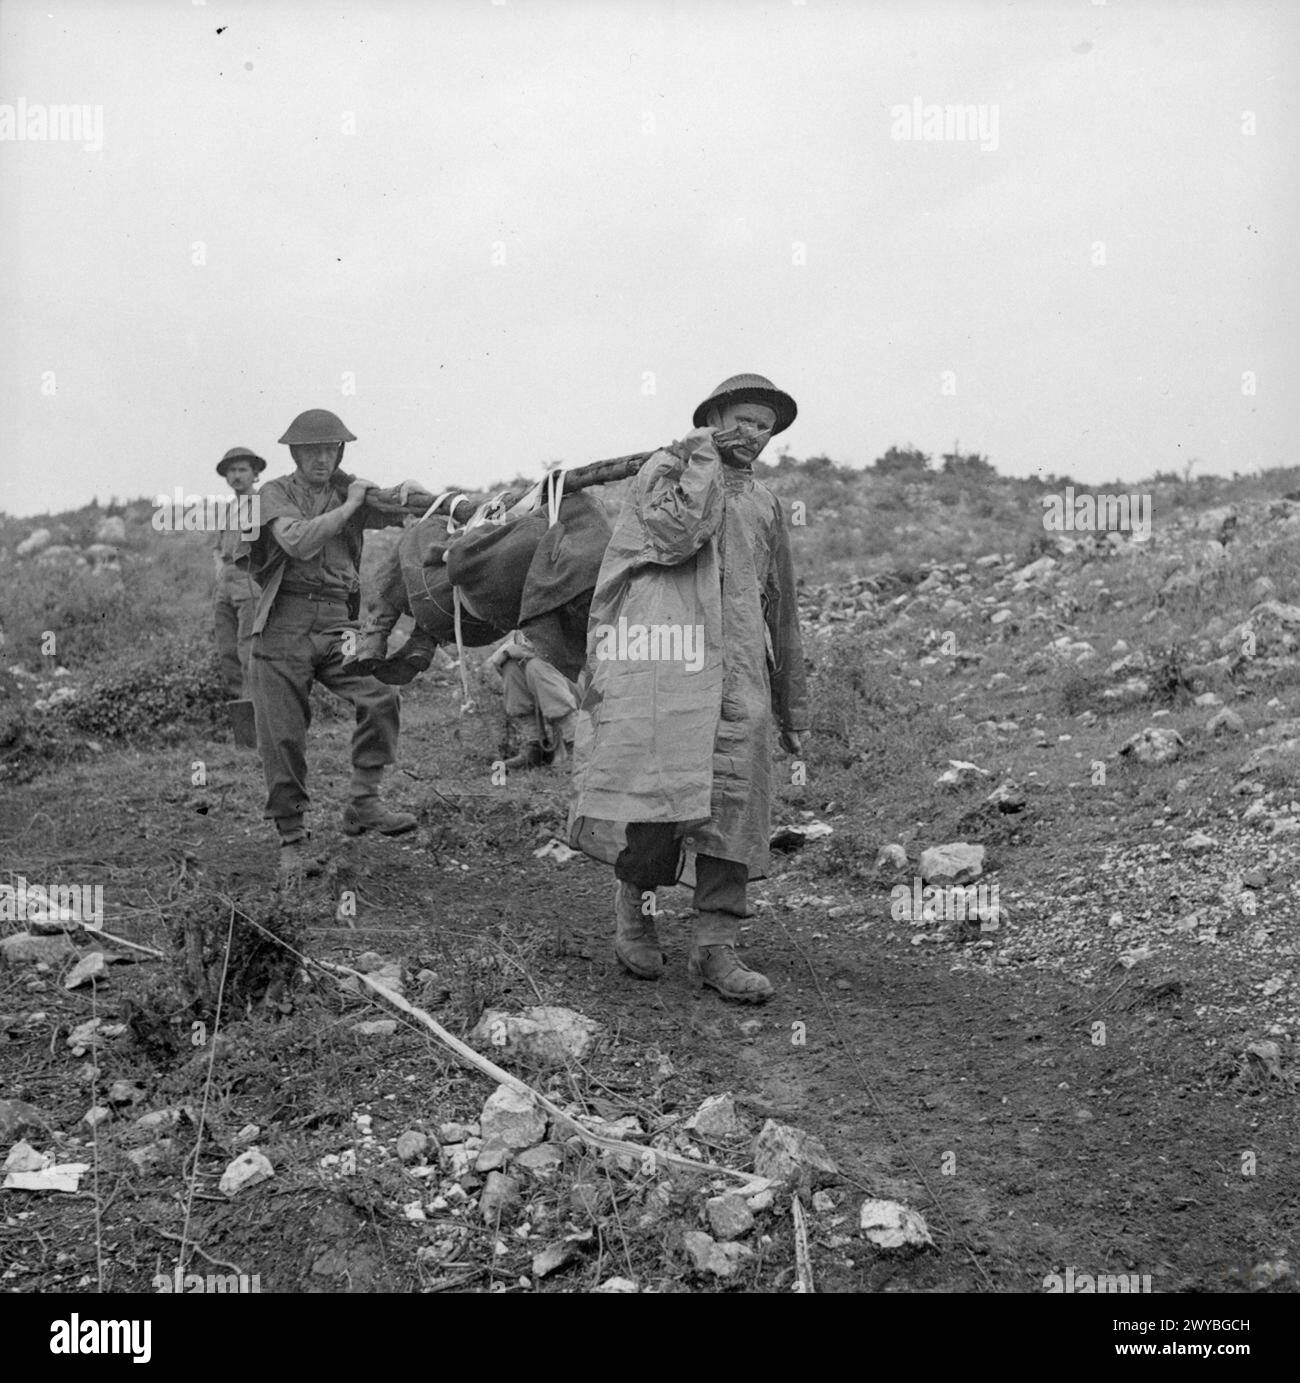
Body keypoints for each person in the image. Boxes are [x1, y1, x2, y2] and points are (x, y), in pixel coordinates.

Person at [569, 374, 809, 1003]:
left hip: (740, 677)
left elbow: (781, 604)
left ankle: (716, 947)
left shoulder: (765, 504)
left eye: (765, 425)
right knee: (662, 796)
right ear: (713, 418)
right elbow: (676, 537)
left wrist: (791, 702)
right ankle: (635, 914)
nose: (754, 434)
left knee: (735, 804)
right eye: (743, 420)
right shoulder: (664, 475)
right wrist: (699, 453)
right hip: (671, 673)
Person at [240, 408, 417, 879]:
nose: (322, 458)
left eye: (330, 449)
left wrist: (423, 499)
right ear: (296, 453)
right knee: (282, 735)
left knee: (380, 694)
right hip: (283, 625)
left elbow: (401, 508)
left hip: (338, 623)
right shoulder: (274, 493)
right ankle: (292, 841)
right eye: (312, 450)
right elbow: (297, 542)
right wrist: (351, 505)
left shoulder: (350, 489)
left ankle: (363, 801)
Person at [211, 447, 264, 700]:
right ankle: (240, 713)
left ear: (255, 474)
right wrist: (220, 570)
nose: (236, 475)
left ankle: (257, 720)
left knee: (248, 651)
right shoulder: (229, 508)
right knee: (227, 652)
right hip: (225, 585)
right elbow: (218, 547)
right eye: (231, 470)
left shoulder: (263, 505)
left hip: (249, 582)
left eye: (243, 469)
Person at [487, 629, 579, 769]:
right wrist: (506, 653)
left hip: (583, 680)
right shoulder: (524, 626)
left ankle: (577, 744)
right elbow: (492, 665)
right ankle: (536, 745)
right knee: (511, 666)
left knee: (536, 666)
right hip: (559, 681)